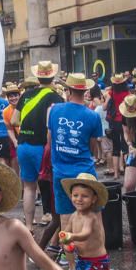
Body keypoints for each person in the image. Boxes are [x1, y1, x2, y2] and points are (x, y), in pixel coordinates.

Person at [47, 73, 103, 257]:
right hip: (84, 171)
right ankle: (96, 257)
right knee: (94, 215)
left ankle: (70, 263)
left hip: (60, 171)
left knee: (65, 219)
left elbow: (50, 139)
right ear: (85, 90)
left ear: (68, 90)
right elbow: (93, 146)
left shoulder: (54, 110)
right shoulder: (93, 116)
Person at [13, 61, 62, 231]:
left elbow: (14, 120)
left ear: (38, 77)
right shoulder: (56, 97)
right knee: (48, 182)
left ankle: (28, 226)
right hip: (42, 145)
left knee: (29, 187)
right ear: (52, 76)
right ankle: (49, 216)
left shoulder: (26, 95)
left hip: (23, 145)